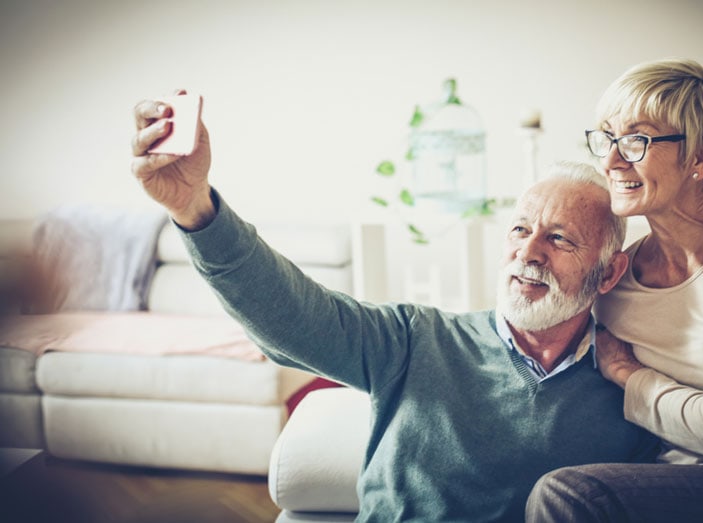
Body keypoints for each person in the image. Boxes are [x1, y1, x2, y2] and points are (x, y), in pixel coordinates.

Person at [131, 97, 657, 521]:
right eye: (520, 229)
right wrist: (194, 208)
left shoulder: (629, 387)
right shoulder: (415, 338)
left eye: (559, 238)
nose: (528, 252)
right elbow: (288, 315)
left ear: (607, 273)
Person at [527, 58, 703, 522]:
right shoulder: (618, 275)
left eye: (636, 140)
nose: (612, 161)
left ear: (701, 157)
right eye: (607, 138)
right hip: (674, 474)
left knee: (571, 495)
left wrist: (626, 373)